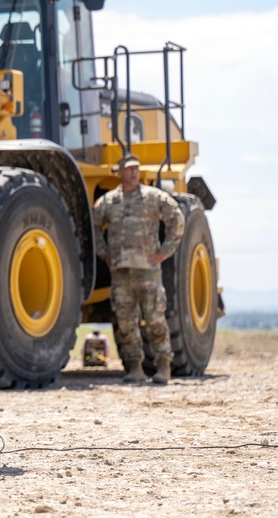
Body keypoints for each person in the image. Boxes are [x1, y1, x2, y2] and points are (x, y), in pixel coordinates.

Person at [92, 153, 185, 385]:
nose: (133, 172)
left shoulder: (153, 197)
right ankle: (134, 367)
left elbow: (177, 219)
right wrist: (104, 252)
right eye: (128, 169)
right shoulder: (108, 201)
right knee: (125, 322)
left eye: (136, 168)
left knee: (154, 319)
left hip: (147, 270)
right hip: (121, 272)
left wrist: (165, 251)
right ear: (120, 173)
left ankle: (163, 365)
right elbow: (93, 227)